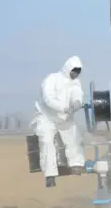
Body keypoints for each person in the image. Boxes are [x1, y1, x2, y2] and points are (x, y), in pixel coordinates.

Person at [30, 55, 86, 188]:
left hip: (65, 118)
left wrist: (77, 103)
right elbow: (48, 99)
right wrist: (63, 108)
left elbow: (77, 94)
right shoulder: (51, 79)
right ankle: (50, 175)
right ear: (68, 68)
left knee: (74, 137)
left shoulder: (75, 83)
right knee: (46, 142)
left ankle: (76, 165)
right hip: (46, 117)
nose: (75, 73)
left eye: (78, 71)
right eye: (74, 70)